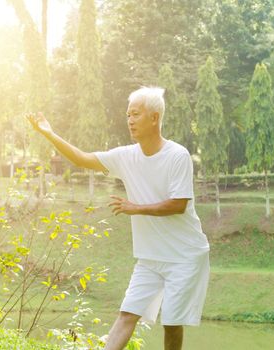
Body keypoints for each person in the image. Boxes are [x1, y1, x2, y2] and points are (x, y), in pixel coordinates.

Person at [27, 86, 210, 350]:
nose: (130, 120)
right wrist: (49, 133)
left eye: (136, 114)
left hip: (184, 256)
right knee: (127, 314)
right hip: (149, 258)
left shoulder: (177, 156)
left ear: (155, 117)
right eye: (128, 115)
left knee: (171, 323)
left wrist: (136, 208)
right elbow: (82, 159)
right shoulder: (125, 156)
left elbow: (179, 204)